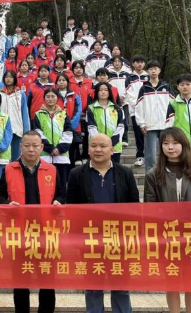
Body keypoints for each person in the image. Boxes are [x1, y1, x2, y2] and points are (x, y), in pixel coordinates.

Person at [66, 133, 139, 313]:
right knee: (92, 288)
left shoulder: (125, 173)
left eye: (103, 146)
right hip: (90, 241)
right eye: (93, 145)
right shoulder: (76, 174)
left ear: (112, 150)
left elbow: (134, 208)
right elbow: (71, 209)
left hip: (118, 240)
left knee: (121, 287)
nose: (98, 149)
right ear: (87, 149)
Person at [0, 131, 64, 313]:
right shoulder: (9, 169)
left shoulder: (52, 169)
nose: (31, 150)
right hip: (19, 234)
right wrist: (7, 204)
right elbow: (0, 196)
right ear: (20, 147)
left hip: (46, 234)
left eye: (35, 146)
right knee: (20, 282)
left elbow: (60, 194)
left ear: (42, 147)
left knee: (48, 281)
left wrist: (58, 201)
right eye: (27, 146)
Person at [144, 127, 191, 313]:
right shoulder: (153, 174)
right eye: (165, 143)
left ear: (184, 145)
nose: (170, 147)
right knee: (171, 281)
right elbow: (150, 207)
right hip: (167, 237)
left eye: (175, 143)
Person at [32, 88, 74, 201]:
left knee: (61, 185)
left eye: (53, 96)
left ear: (57, 98)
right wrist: (50, 148)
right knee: (44, 185)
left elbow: (68, 133)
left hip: (61, 156)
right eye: (48, 97)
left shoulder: (63, 114)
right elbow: (37, 133)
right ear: (44, 98)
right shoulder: (38, 115)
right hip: (44, 155)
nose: (50, 99)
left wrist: (59, 149)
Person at [135, 60, 175, 172]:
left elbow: (174, 105)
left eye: (156, 68)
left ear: (160, 70)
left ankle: (167, 177)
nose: (153, 71)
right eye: (151, 69)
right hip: (150, 125)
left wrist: (171, 122)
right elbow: (139, 107)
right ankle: (150, 180)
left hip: (165, 125)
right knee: (150, 155)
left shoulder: (166, 87)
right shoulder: (144, 88)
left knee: (166, 153)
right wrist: (142, 123)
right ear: (147, 71)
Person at [86, 82, 125, 163]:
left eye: (106, 90)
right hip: (97, 148)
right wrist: (101, 143)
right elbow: (91, 127)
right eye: (100, 90)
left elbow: (121, 126)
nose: (103, 92)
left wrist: (111, 143)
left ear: (109, 92)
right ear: (96, 92)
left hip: (114, 147)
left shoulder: (117, 108)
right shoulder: (91, 108)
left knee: (114, 172)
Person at [125, 55, 149, 166]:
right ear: (133, 64)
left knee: (149, 133)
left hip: (148, 110)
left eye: (141, 62)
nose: (139, 64)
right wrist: (138, 105)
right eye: (137, 62)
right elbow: (129, 95)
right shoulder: (129, 78)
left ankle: (149, 155)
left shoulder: (148, 77)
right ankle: (140, 156)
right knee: (138, 133)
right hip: (135, 110)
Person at [1, 70, 30, 161]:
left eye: (10, 77)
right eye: (6, 77)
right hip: (3, 129)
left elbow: (24, 113)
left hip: (17, 129)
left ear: (14, 79)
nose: (8, 79)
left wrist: (26, 131)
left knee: (16, 157)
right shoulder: (0, 93)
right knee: (4, 156)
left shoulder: (20, 94)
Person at [69, 60, 93, 161]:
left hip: (86, 112)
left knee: (87, 133)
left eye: (80, 68)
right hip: (74, 113)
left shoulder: (89, 82)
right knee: (75, 133)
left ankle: (85, 154)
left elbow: (91, 96)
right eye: (76, 68)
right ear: (72, 69)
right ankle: (77, 155)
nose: (78, 70)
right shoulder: (69, 82)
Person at [108, 56, 130, 146]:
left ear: (122, 63)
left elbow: (129, 87)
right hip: (113, 101)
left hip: (125, 100)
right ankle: (115, 138)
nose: (117, 63)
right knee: (115, 120)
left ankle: (125, 139)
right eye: (115, 61)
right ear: (112, 63)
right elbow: (109, 87)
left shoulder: (127, 73)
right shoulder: (109, 73)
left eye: (119, 61)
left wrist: (123, 95)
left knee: (125, 121)